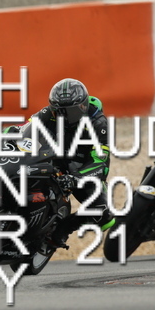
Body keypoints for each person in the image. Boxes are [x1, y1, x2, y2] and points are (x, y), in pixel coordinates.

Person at [21, 78, 115, 247]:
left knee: (103, 214)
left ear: (83, 106)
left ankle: (63, 229)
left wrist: (76, 179)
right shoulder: (48, 112)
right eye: (58, 111)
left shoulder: (98, 123)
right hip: (51, 158)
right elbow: (23, 129)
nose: (63, 116)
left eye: (69, 112)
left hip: (80, 168)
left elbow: (101, 163)